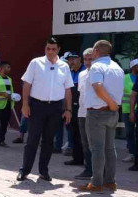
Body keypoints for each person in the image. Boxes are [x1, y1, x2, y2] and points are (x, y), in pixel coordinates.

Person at [17, 38, 74, 181]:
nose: (50, 51)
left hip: (55, 108)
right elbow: (26, 85)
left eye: (53, 49)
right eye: (48, 48)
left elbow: (68, 90)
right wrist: (25, 104)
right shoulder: (35, 63)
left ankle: (43, 171)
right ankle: (24, 170)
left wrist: (68, 110)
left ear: (59, 49)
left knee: (49, 141)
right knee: (32, 140)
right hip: (37, 106)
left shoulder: (64, 67)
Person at [79, 40, 124, 192]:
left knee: (97, 149)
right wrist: (113, 104)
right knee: (110, 149)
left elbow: (97, 87)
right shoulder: (117, 67)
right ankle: (110, 181)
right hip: (112, 112)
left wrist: (110, 102)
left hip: (98, 112)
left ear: (96, 51)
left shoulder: (96, 66)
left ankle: (96, 183)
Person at [121, 59, 138, 165]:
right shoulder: (125, 78)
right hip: (127, 109)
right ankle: (131, 153)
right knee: (129, 133)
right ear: (133, 67)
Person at [74, 48, 94, 180]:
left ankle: (98, 170)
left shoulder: (99, 73)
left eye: (90, 59)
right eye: (85, 59)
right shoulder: (81, 74)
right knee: (85, 143)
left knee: (95, 144)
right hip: (82, 113)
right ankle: (88, 169)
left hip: (94, 113)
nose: (87, 62)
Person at [63, 52, 85, 166]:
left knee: (84, 134)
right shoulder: (69, 73)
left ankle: (87, 159)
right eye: (69, 60)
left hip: (84, 107)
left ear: (79, 59)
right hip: (72, 107)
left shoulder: (85, 71)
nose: (71, 61)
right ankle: (77, 158)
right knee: (74, 133)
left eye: (73, 59)